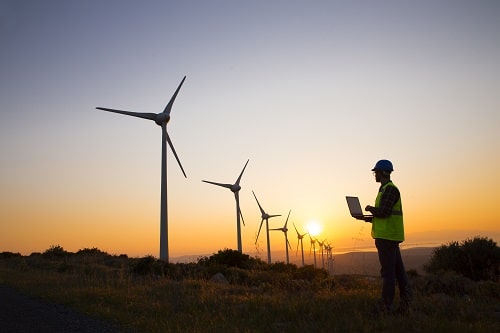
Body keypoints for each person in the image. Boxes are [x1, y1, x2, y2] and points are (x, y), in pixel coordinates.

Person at [357, 159, 412, 315]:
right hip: (389, 237)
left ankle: (385, 307)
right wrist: (365, 218)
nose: (374, 175)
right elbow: (382, 215)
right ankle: (407, 304)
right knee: (399, 272)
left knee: (388, 274)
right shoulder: (384, 189)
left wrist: (370, 209)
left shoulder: (390, 189)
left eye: (375, 172)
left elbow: (384, 212)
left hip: (387, 238)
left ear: (381, 173)